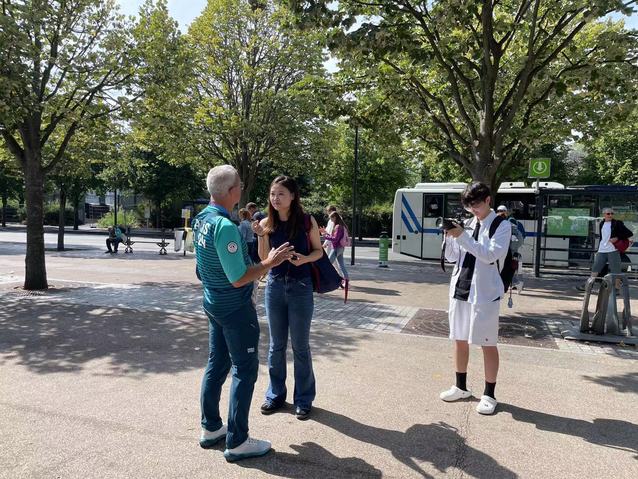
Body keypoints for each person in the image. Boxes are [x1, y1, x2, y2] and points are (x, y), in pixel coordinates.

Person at [193, 165, 294, 462]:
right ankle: (237, 441)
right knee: (244, 370)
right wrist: (270, 262)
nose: (241, 187)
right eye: (239, 184)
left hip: (213, 303)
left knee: (217, 363)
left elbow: (200, 269)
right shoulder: (225, 226)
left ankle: (211, 427)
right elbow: (238, 277)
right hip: (235, 308)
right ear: (231, 191)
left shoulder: (201, 220)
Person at [252, 176, 323, 421]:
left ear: (293, 196)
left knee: (300, 346)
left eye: (281, 193)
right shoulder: (266, 222)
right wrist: (261, 235)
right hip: (274, 287)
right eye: (273, 194)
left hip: (301, 287)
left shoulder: (306, 221)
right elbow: (264, 259)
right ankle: (275, 395)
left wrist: (305, 259)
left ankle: (304, 399)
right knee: (276, 345)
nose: (276, 198)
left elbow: (319, 251)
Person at [440, 182, 511, 416]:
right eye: (470, 207)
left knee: (487, 343)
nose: (474, 211)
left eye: (477, 205)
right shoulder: (468, 224)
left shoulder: (502, 225)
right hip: (461, 287)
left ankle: (489, 394)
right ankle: (460, 387)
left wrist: (462, 236)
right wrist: (450, 237)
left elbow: (490, 255)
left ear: (488, 200)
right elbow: (453, 258)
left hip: (485, 292)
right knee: (459, 339)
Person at [578, 207, 633, 291]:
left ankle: (616, 289)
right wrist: (599, 249)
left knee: (616, 271)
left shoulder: (617, 223)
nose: (610, 215)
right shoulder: (602, 223)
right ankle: (588, 286)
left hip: (613, 250)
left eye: (612, 213)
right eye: (608, 214)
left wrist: (617, 238)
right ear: (604, 214)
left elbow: (629, 233)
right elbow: (602, 238)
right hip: (602, 250)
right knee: (595, 269)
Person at [496, 205, 524, 291]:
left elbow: (520, 240)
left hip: (507, 254)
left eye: (502, 211)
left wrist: (511, 248)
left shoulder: (510, 225)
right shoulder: (495, 224)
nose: (501, 213)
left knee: (507, 272)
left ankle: (516, 284)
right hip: (498, 254)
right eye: (499, 211)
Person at [322, 211, 349, 283]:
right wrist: (326, 233)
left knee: (328, 264)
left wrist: (325, 236)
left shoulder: (338, 227)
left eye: (331, 218)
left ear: (335, 217)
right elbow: (335, 237)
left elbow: (335, 239)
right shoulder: (341, 226)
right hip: (341, 248)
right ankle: (346, 280)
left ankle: (336, 280)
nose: (331, 220)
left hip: (336, 248)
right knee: (341, 265)